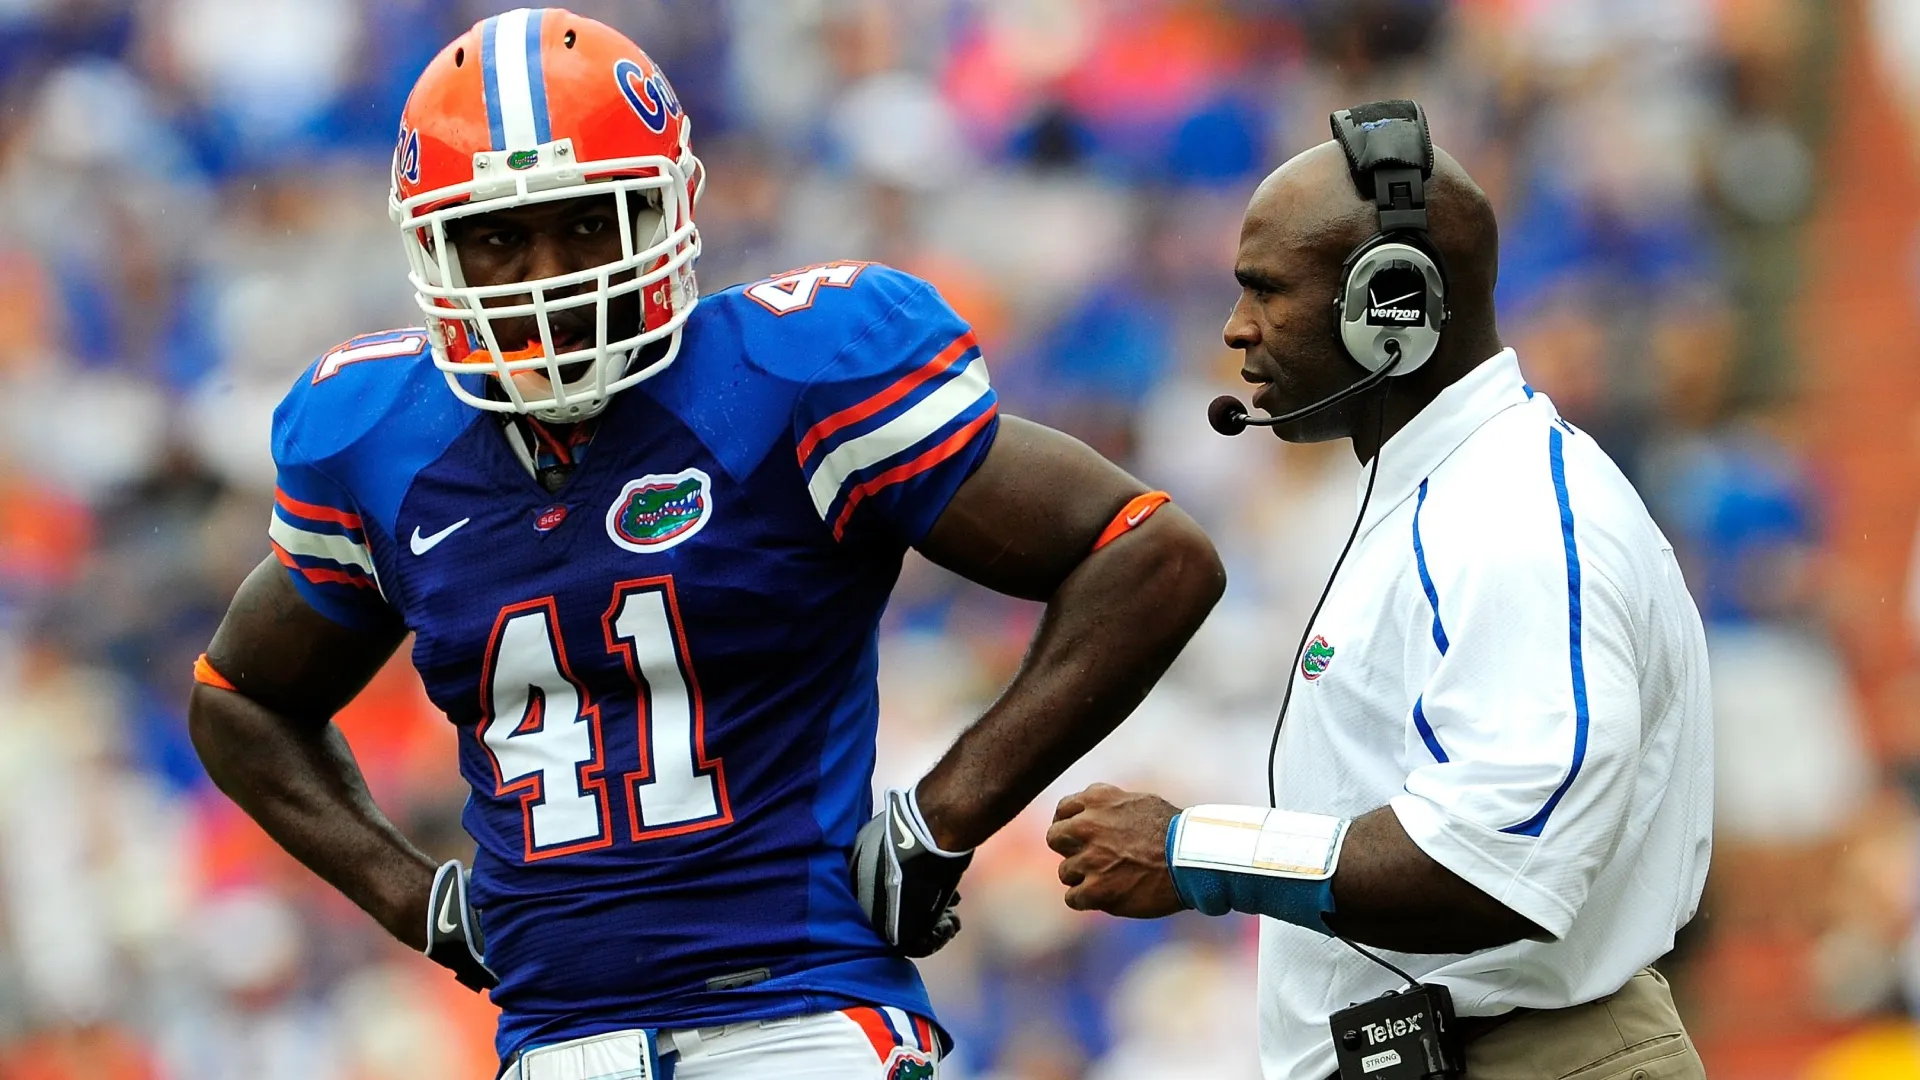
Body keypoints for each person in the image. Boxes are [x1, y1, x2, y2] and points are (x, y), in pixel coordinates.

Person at [185, 10, 1226, 1079]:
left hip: (803, 1021)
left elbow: (1150, 557)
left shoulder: (788, 378)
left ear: (669, 206)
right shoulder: (377, 437)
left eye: (591, 221)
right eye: (498, 236)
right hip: (553, 1042)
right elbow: (239, 700)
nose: (548, 273)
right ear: (435, 248)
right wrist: (419, 901)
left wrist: (945, 815)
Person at [1046, 101, 1712, 1080]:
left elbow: (1490, 862)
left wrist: (1196, 851)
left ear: (1391, 303)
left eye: (1266, 291)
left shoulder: (1509, 515)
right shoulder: (1443, 493)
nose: (1236, 329)